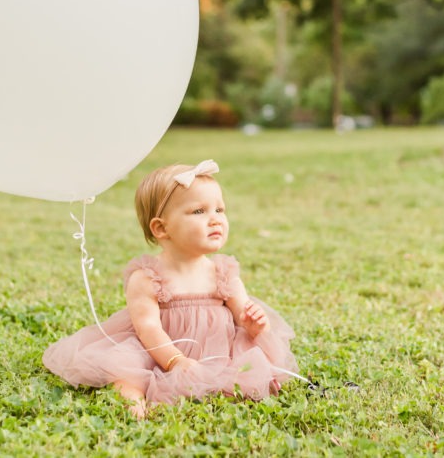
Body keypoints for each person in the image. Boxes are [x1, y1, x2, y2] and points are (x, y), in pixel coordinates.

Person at [42, 159, 298, 418]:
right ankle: (132, 400)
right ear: (161, 228)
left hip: (214, 354)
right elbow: (148, 328)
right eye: (199, 212)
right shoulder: (146, 278)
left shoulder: (223, 273)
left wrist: (254, 326)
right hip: (156, 351)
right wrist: (174, 361)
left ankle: (226, 388)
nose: (215, 220)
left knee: (240, 373)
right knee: (129, 369)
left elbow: (243, 314)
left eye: (220, 210)